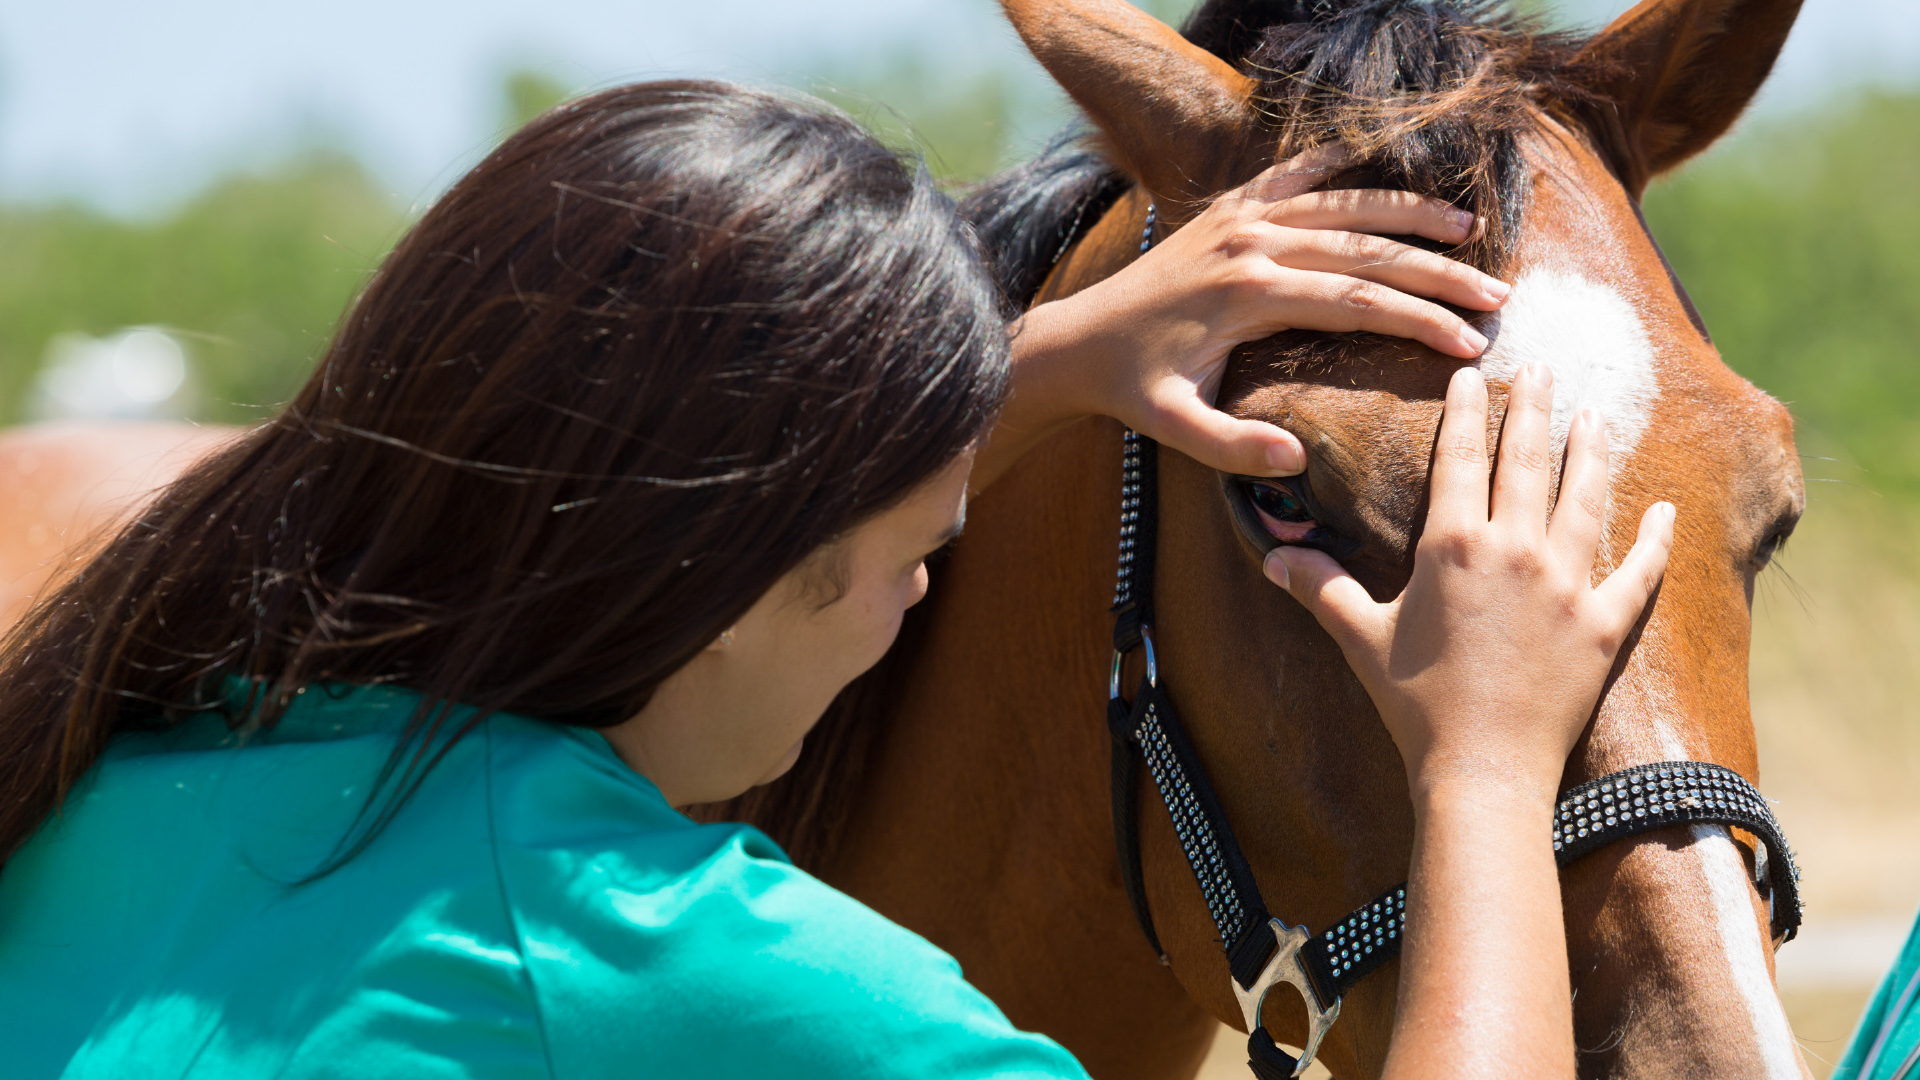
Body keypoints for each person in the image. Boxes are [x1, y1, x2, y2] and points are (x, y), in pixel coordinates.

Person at [0, 80, 1669, 1078]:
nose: (922, 606)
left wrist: (1038, 360)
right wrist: (1487, 771)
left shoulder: (126, 762)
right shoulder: (668, 956)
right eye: (915, 555)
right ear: (728, 567)